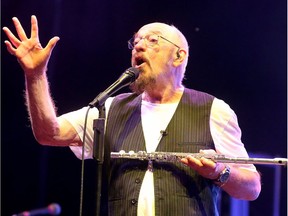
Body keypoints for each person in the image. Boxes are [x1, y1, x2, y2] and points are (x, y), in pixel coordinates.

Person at [3, 15, 261, 216]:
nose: (138, 44)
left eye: (152, 40)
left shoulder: (213, 110)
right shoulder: (111, 108)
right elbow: (50, 133)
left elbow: (251, 188)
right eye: (135, 41)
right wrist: (35, 75)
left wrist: (219, 171)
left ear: (179, 56)